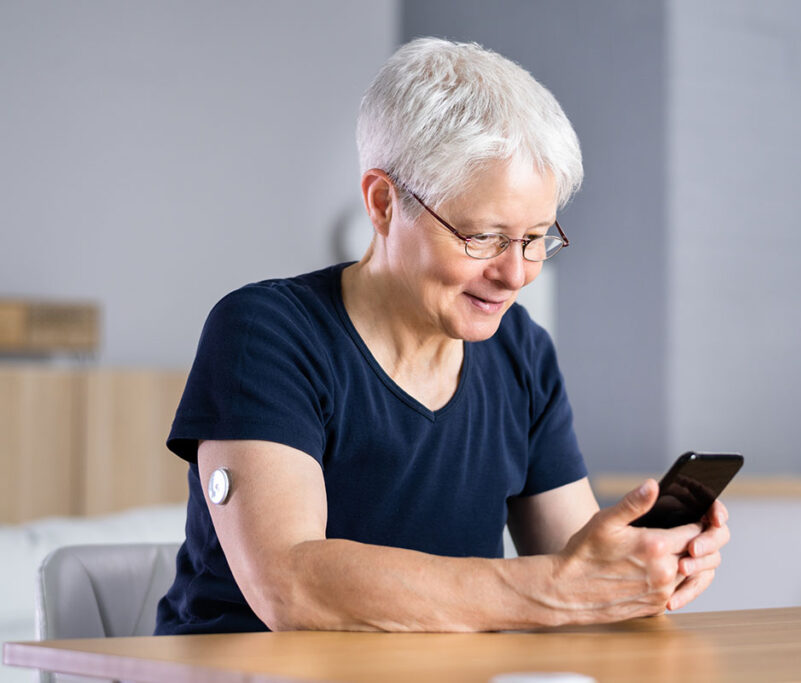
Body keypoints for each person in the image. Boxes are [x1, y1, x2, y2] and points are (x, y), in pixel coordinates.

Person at [155, 37, 730, 635]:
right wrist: (560, 589)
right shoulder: (264, 333)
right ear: (383, 203)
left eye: (536, 238)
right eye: (482, 237)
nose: (516, 274)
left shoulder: (521, 353)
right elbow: (292, 587)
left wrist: (638, 572)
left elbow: (571, 562)